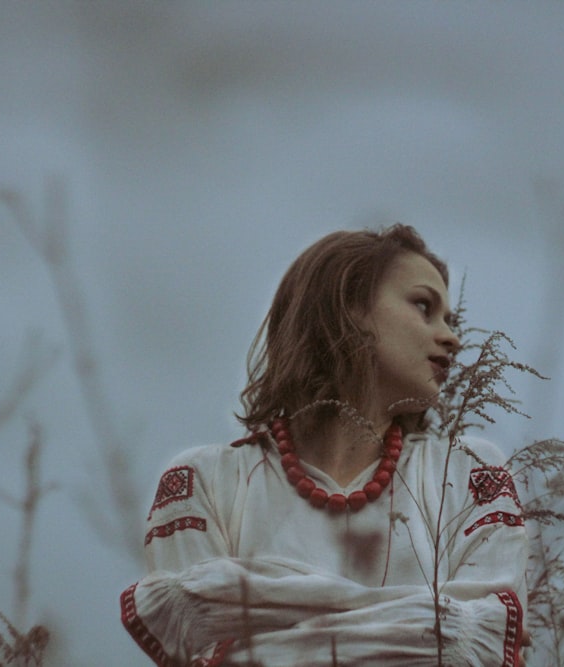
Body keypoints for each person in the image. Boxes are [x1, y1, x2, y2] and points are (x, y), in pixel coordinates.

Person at [120, 225, 530, 666]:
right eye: (423, 307)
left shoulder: (465, 473)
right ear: (348, 309)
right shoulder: (206, 481)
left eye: (450, 320)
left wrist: (259, 618)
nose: (452, 337)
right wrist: (418, 620)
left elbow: (475, 645)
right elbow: (195, 641)